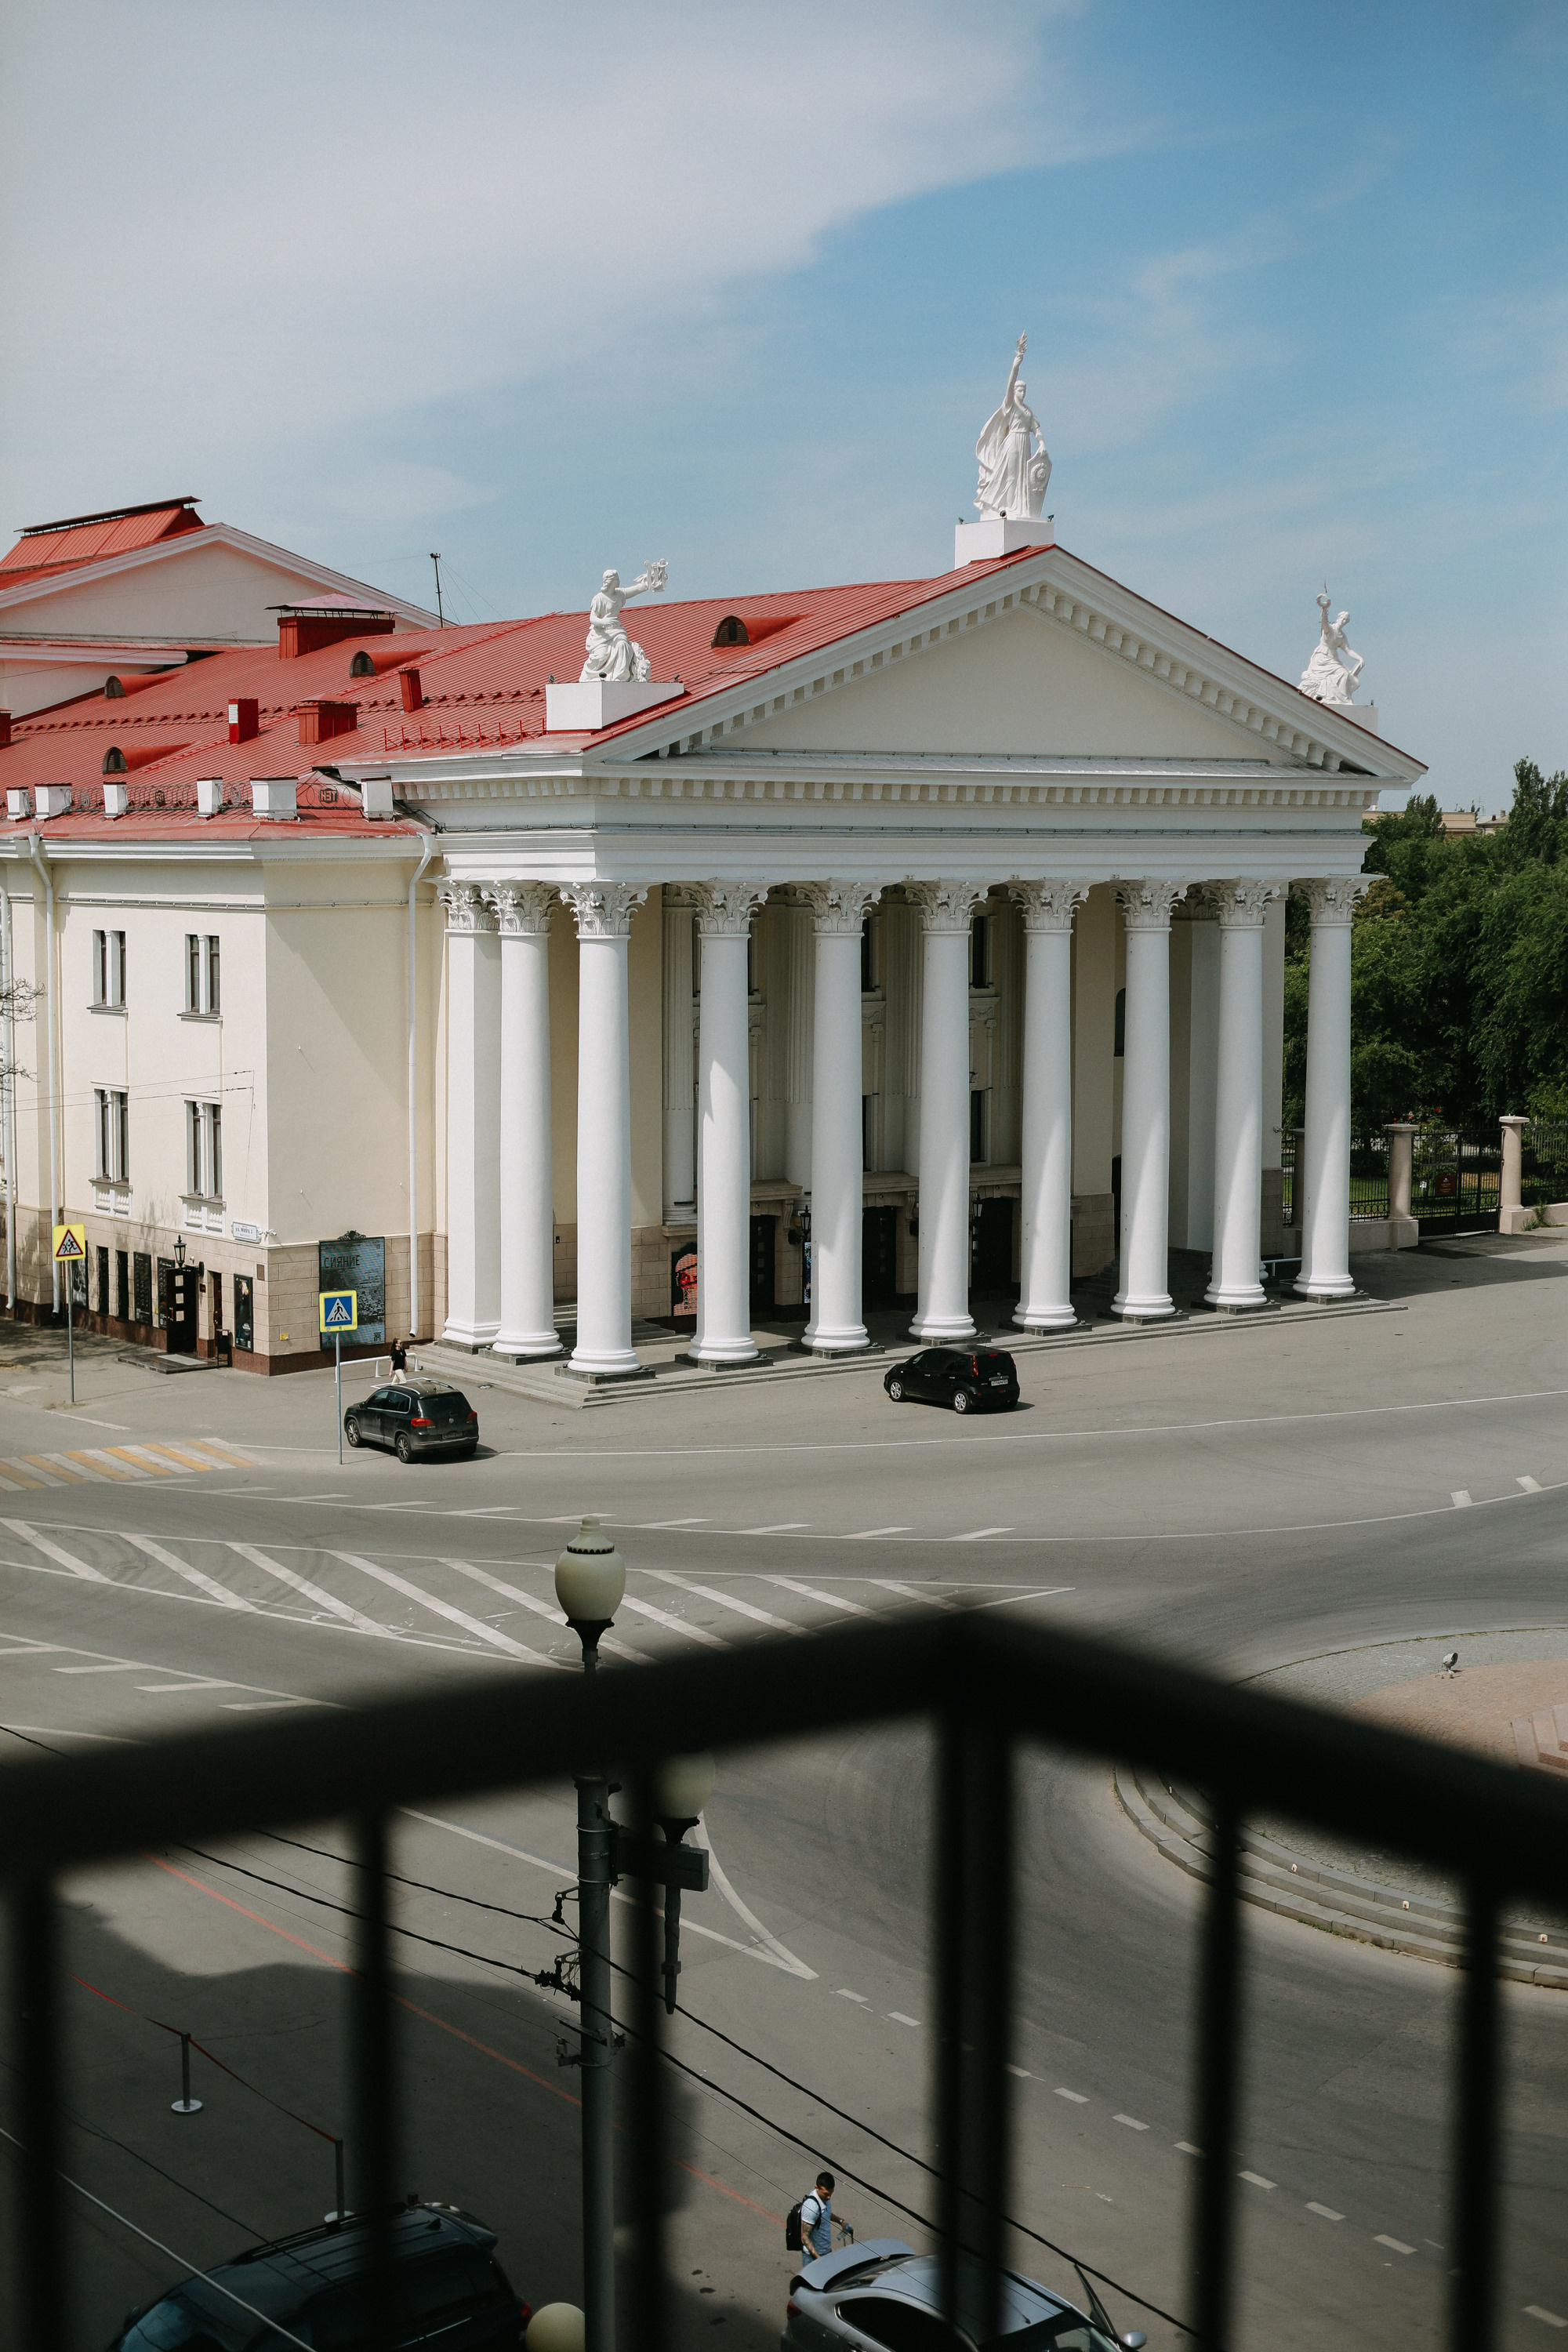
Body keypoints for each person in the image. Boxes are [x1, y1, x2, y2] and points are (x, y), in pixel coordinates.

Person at [800, 2172, 846, 2261]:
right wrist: (818, 2259)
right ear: (816, 2187)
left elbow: (825, 2214)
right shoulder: (811, 2208)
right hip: (813, 2257)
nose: (829, 2197)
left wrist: (841, 2221)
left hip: (825, 2253)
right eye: (826, 2194)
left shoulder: (824, 2198)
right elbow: (804, 2237)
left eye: (831, 2193)